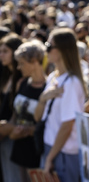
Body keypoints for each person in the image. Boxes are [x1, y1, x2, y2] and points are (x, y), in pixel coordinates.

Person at [34, 28, 87, 182]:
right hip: (51, 146)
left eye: (49, 46)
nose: (46, 50)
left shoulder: (72, 83)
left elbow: (67, 124)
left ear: (62, 50)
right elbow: (38, 117)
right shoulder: (52, 77)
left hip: (63, 152)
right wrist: (43, 98)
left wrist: (50, 158)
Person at [8, 40, 47, 182]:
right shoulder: (22, 83)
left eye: (22, 63)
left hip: (36, 149)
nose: (18, 67)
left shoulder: (48, 89)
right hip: (19, 145)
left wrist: (30, 130)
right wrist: (13, 130)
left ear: (35, 61)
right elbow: (15, 115)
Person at [0, 34, 23, 182]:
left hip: (12, 135)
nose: (1, 55)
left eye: (5, 51)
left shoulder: (21, 80)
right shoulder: (5, 76)